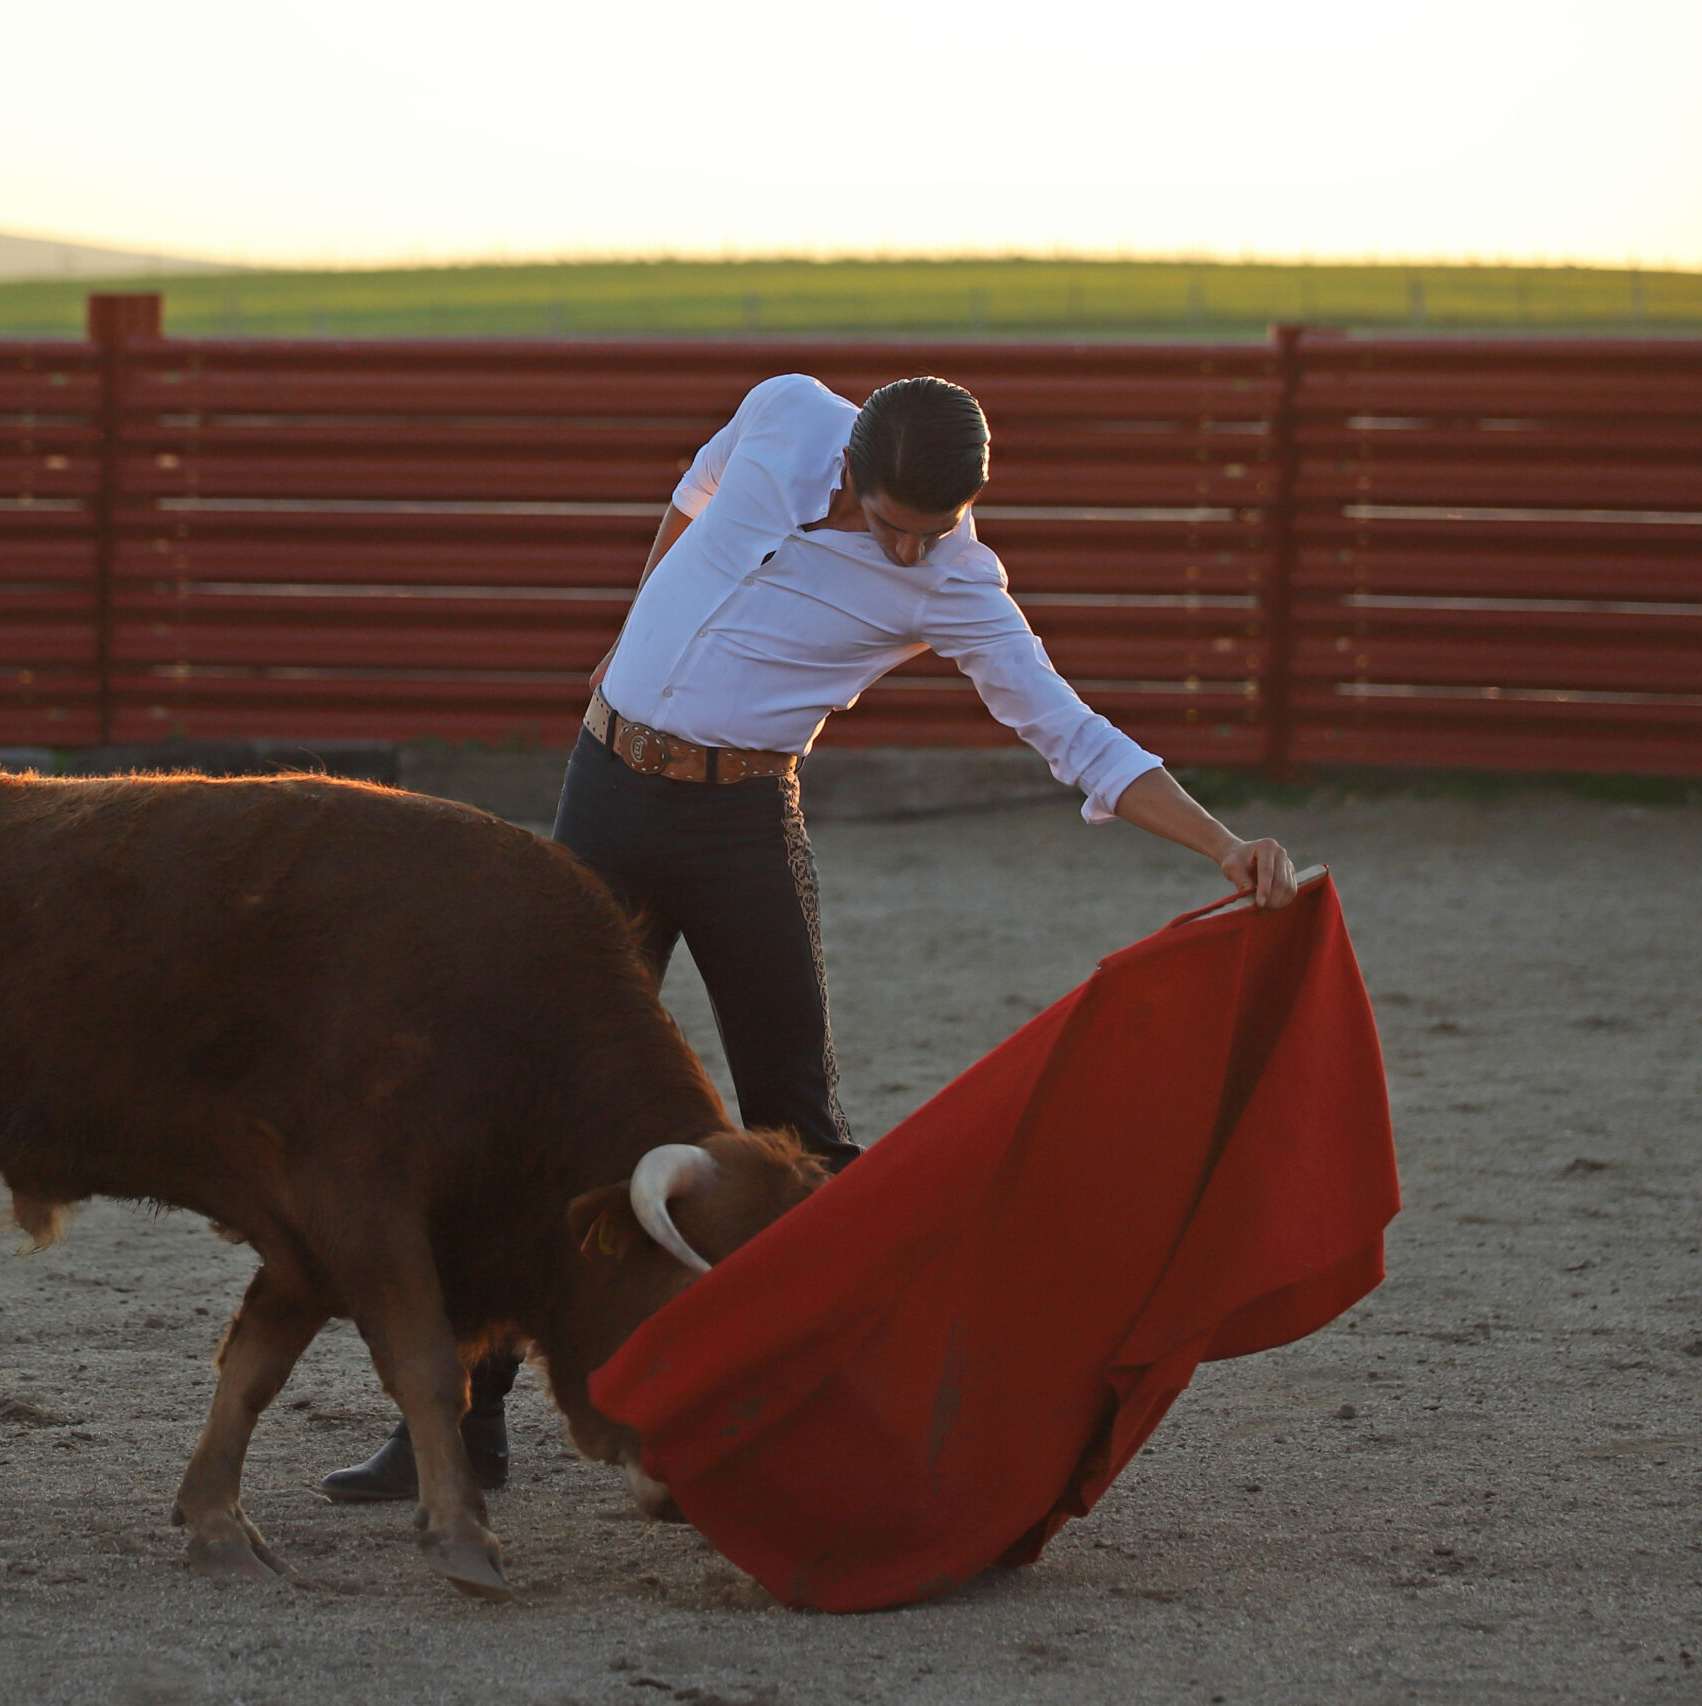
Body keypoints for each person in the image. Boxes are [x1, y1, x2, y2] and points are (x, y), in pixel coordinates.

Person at [318, 371, 1298, 1503]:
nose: (911, 552)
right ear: (848, 470)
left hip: (740, 827)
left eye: (934, 532)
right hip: (606, 791)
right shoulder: (786, 412)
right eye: (891, 528)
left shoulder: (957, 582)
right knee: (518, 1106)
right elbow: (692, 494)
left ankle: (825, 1419)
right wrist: (634, 628)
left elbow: (1072, 732)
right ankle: (456, 1427)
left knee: (800, 1130)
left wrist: (1223, 844)